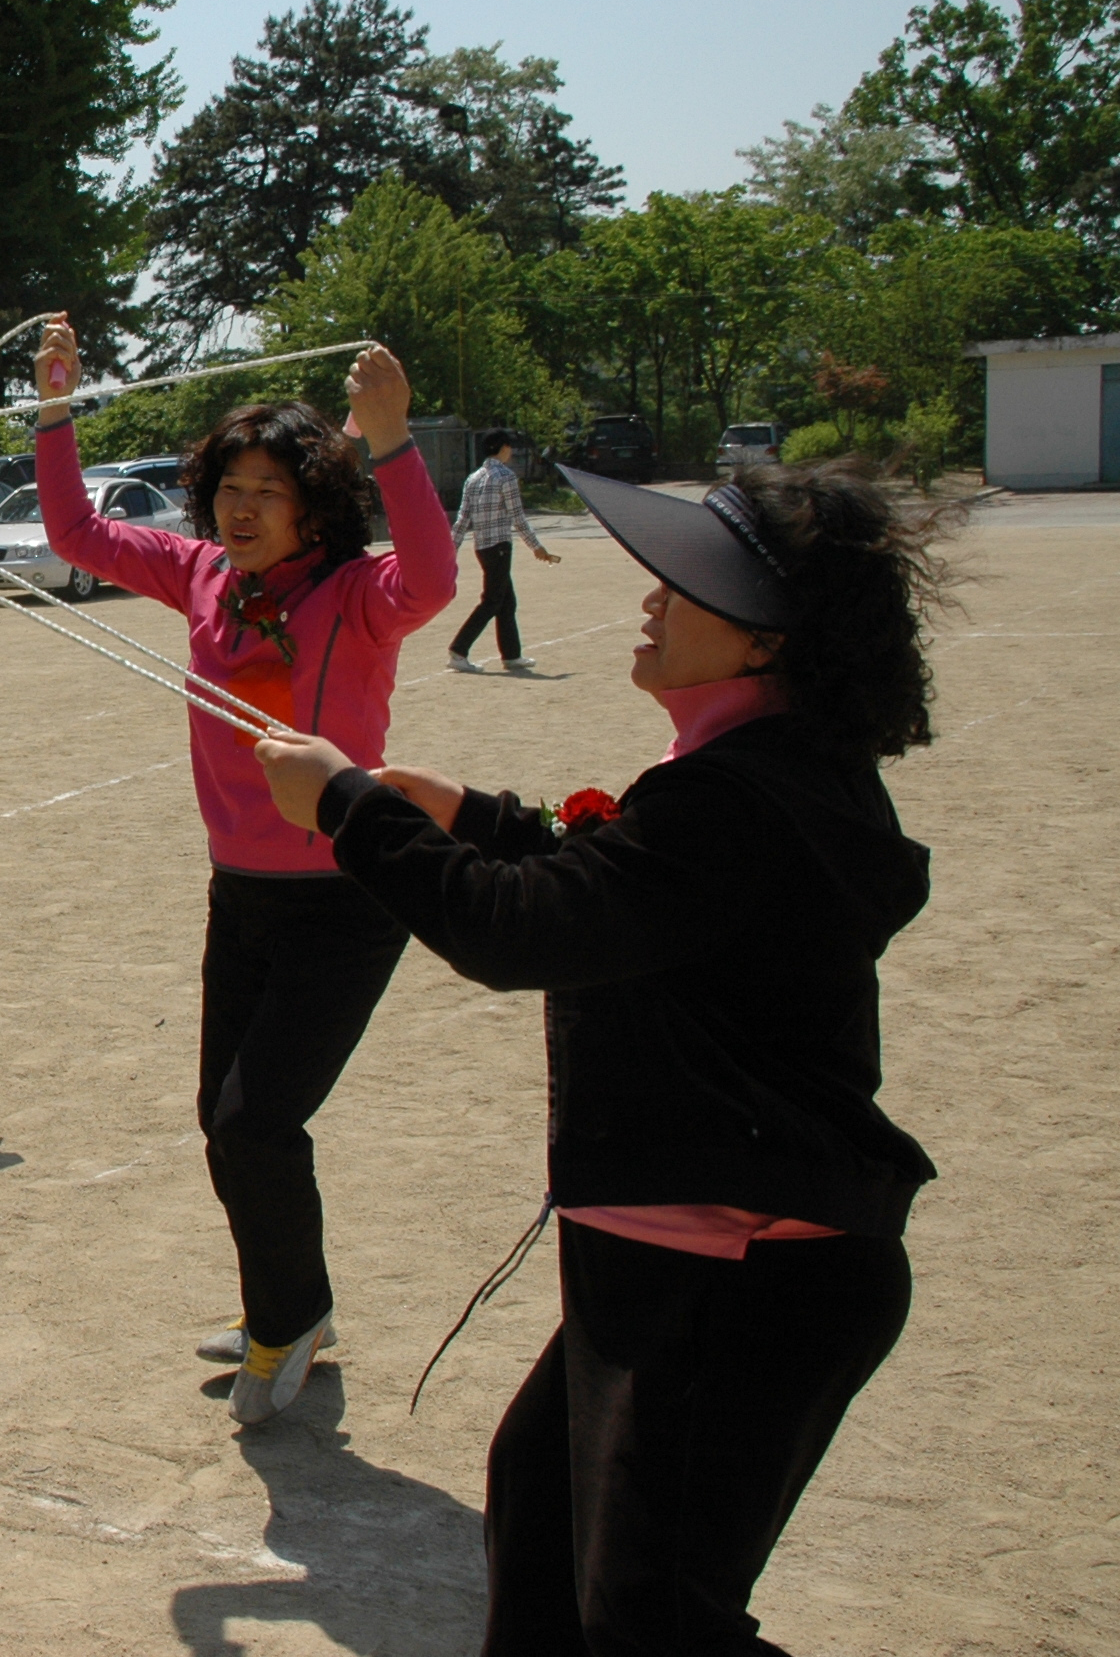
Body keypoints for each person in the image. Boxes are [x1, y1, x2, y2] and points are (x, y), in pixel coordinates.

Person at [253, 459, 943, 1653]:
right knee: (537, 1519)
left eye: (688, 584)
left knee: (648, 1620)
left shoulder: (741, 800)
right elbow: (629, 879)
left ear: (767, 638)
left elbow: (522, 930)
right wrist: (478, 815)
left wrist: (351, 813)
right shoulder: (761, 776)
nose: (650, 596)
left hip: (744, 1272)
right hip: (676, 1259)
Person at [30, 321, 457, 1423]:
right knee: (224, 1118)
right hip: (242, 894)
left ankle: (287, 1319)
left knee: (255, 1122)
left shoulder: (355, 593)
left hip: (348, 897)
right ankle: (290, 1300)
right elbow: (75, 530)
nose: (242, 506)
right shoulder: (202, 577)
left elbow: (431, 579)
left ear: (314, 506)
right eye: (229, 485)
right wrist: (56, 408)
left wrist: (394, 439)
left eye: (270, 488)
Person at [447, 428, 560, 674]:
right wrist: (536, 546)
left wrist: (450, 551)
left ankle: (511, 655)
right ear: (504, 448)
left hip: (482, 547)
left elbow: (462, 520)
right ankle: (459, 649)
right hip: (499, 546)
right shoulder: (506, 477)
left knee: (506, 601)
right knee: (492, 601)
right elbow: (518, 517)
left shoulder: (473, 479)